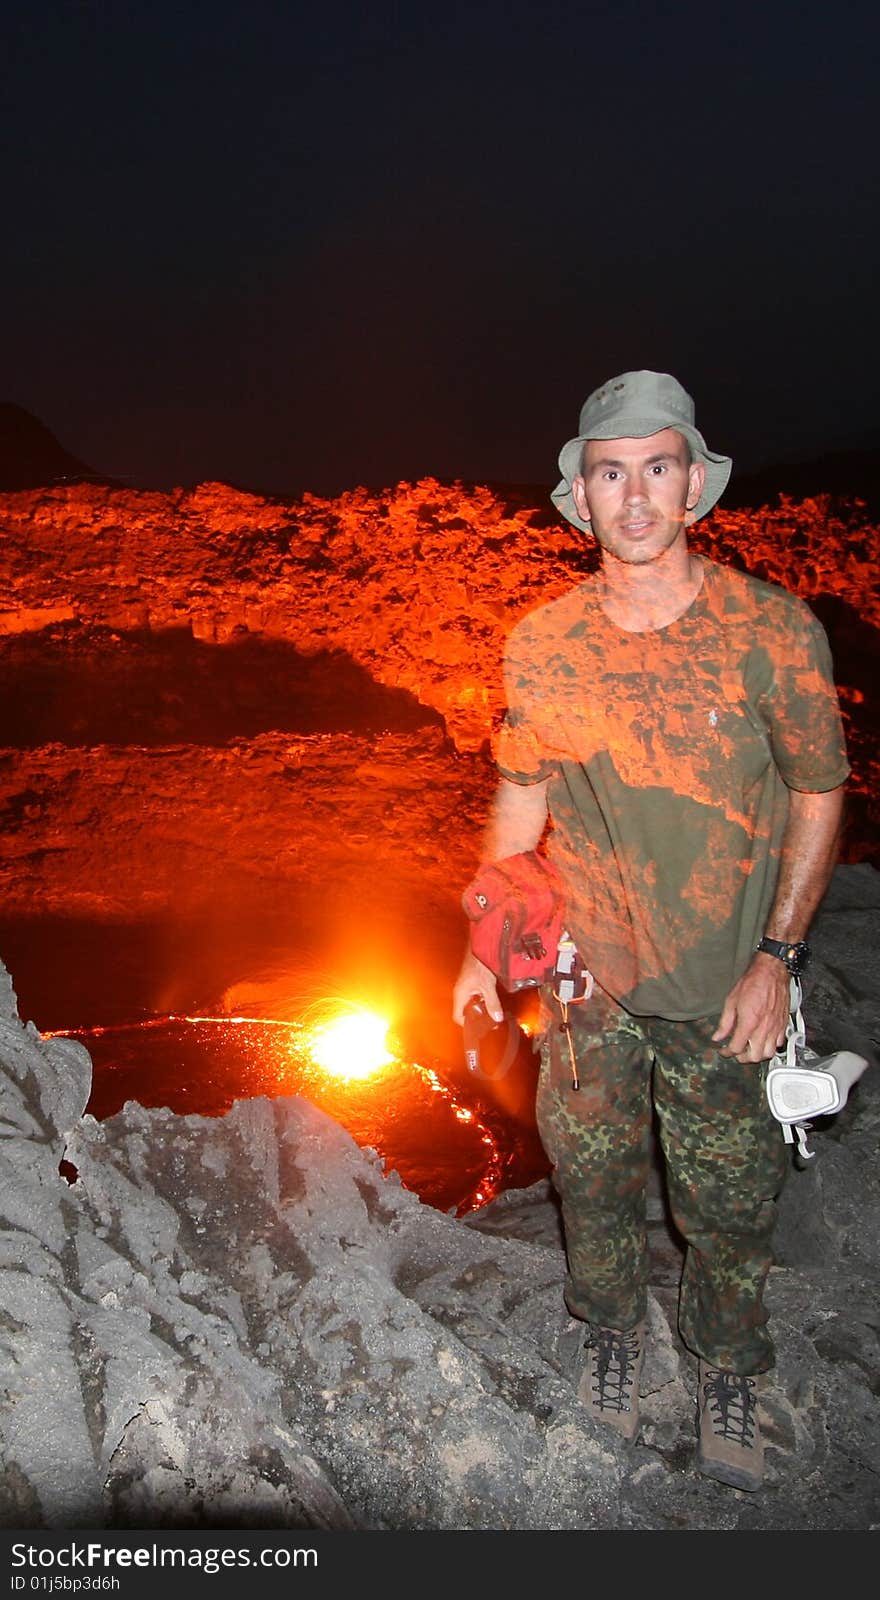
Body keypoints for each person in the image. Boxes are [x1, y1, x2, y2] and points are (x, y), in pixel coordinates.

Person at [452, 370, 850, 1492]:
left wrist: (777, 959)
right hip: (581, 975)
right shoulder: (543, 642)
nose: (633, 495)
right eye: (609, 471)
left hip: (724, 975)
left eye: (656, 468)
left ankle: (728, 1362)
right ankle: (611, 1329)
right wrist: (485, 949)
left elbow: (819, 792)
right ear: (581, 498)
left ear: (693, 490)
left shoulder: (770, 632)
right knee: (588, 1167)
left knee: (725, 1194)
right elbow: (523, 799)